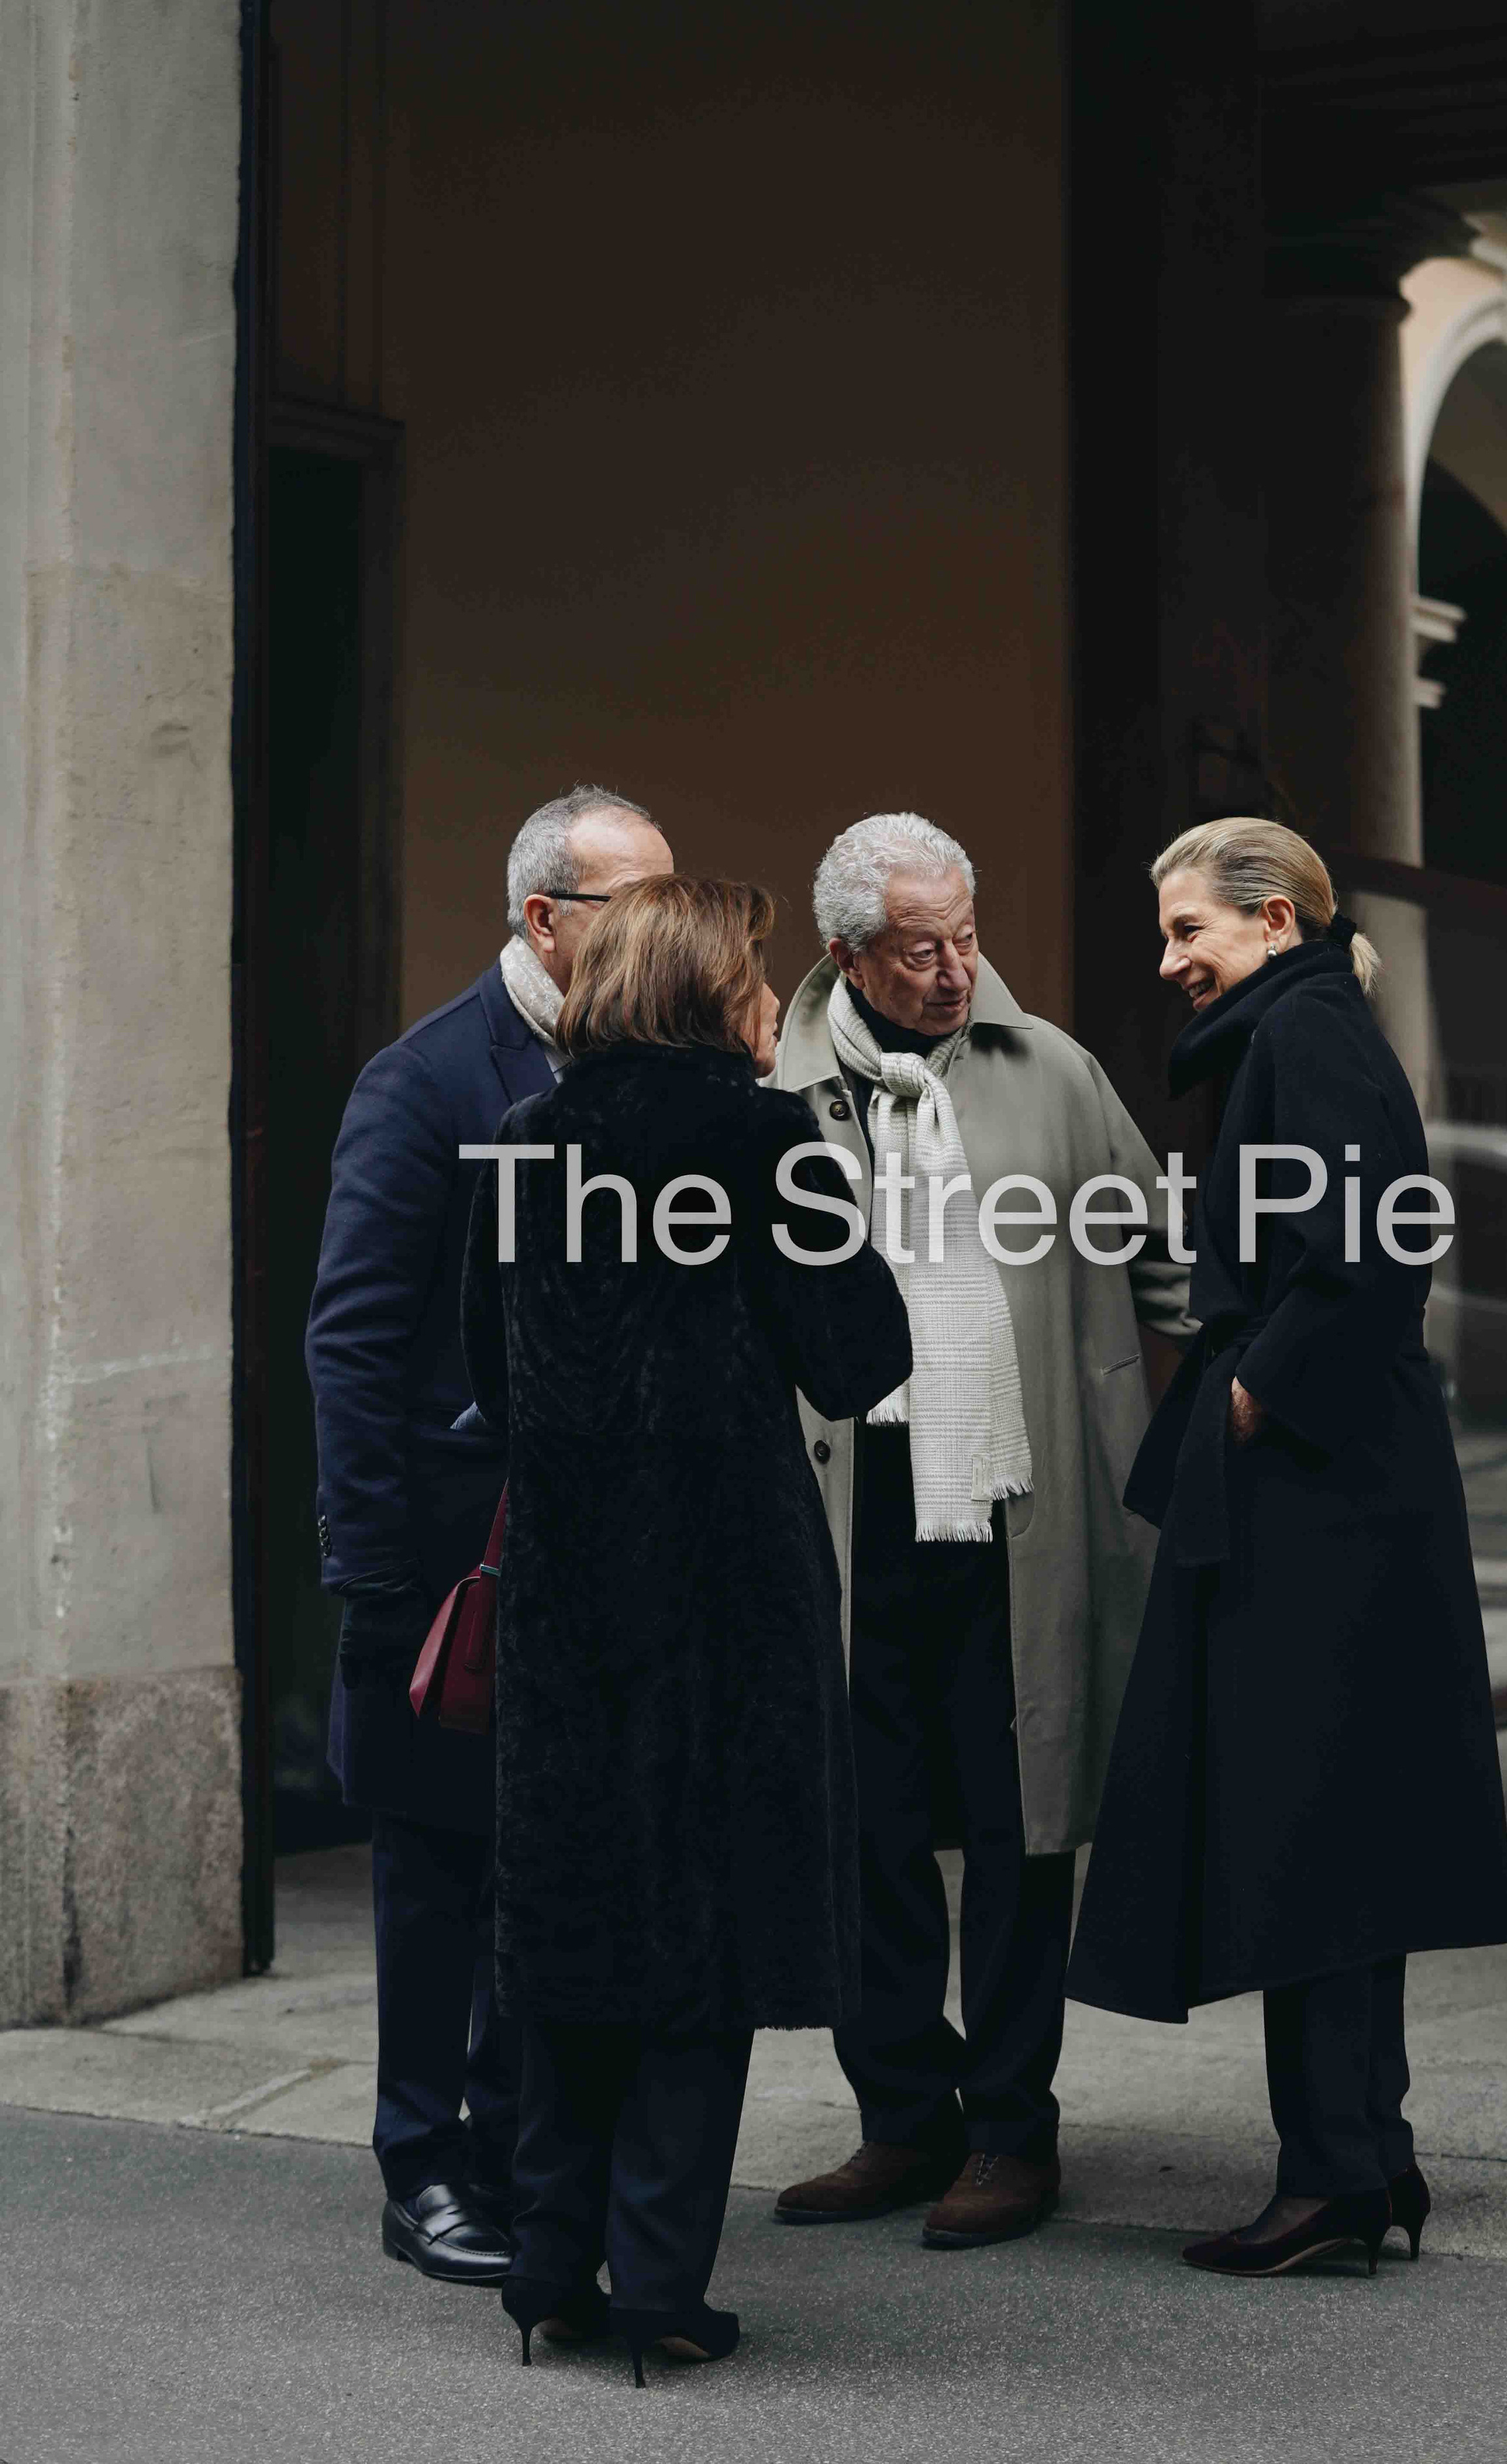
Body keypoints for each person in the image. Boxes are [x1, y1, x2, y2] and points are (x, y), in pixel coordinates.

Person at [460, 874, 911, 2381]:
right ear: (711, 993)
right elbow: (857, 1359)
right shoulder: (762, 1140)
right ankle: (659, 2288)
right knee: (701, 1940)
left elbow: (484, 1365)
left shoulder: (520, 1142)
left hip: (567, 1595)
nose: (773, 1001)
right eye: (756, 976)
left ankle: (548, 2269)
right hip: (729, 1598)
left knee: (574, 1924)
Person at [1066, 815, 1507, 2278]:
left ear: (1272, 922)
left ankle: (1331, 2177)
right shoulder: (1311, 1027)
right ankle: (1362, 2157)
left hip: (1315, 1494)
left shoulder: (1304, 1036)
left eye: (1187, 930)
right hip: (1344, 1486)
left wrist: (1250, 1401)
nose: (1168, 961)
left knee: (1305, 1830)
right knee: (1334, 1828)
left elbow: (1366, 1257)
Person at [771, 812, 1194, 2251]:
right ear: (847, 957)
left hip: (1017, 1502)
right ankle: (903, 2117)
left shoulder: (1052, 1071)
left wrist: (1263, 1377)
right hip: (849, 1508)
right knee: (868, 1825)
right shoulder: (776, 1087)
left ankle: (1013, 2129)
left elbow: (1162, 1254)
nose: (956, 971)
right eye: (919, 951)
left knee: (1021, 1821)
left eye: (965, 936)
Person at [306, 784, 672, 2284]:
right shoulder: (426, 1081)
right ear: (545, 918)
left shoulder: (638, 1066)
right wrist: (377, 1571)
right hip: (451, 1559)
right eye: (636, 904)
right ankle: (419, 2163)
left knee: (555, 1864)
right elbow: (352, 1341)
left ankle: (521, 2145)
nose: (664, 929)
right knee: (438, 1872)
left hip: (592, 1557)